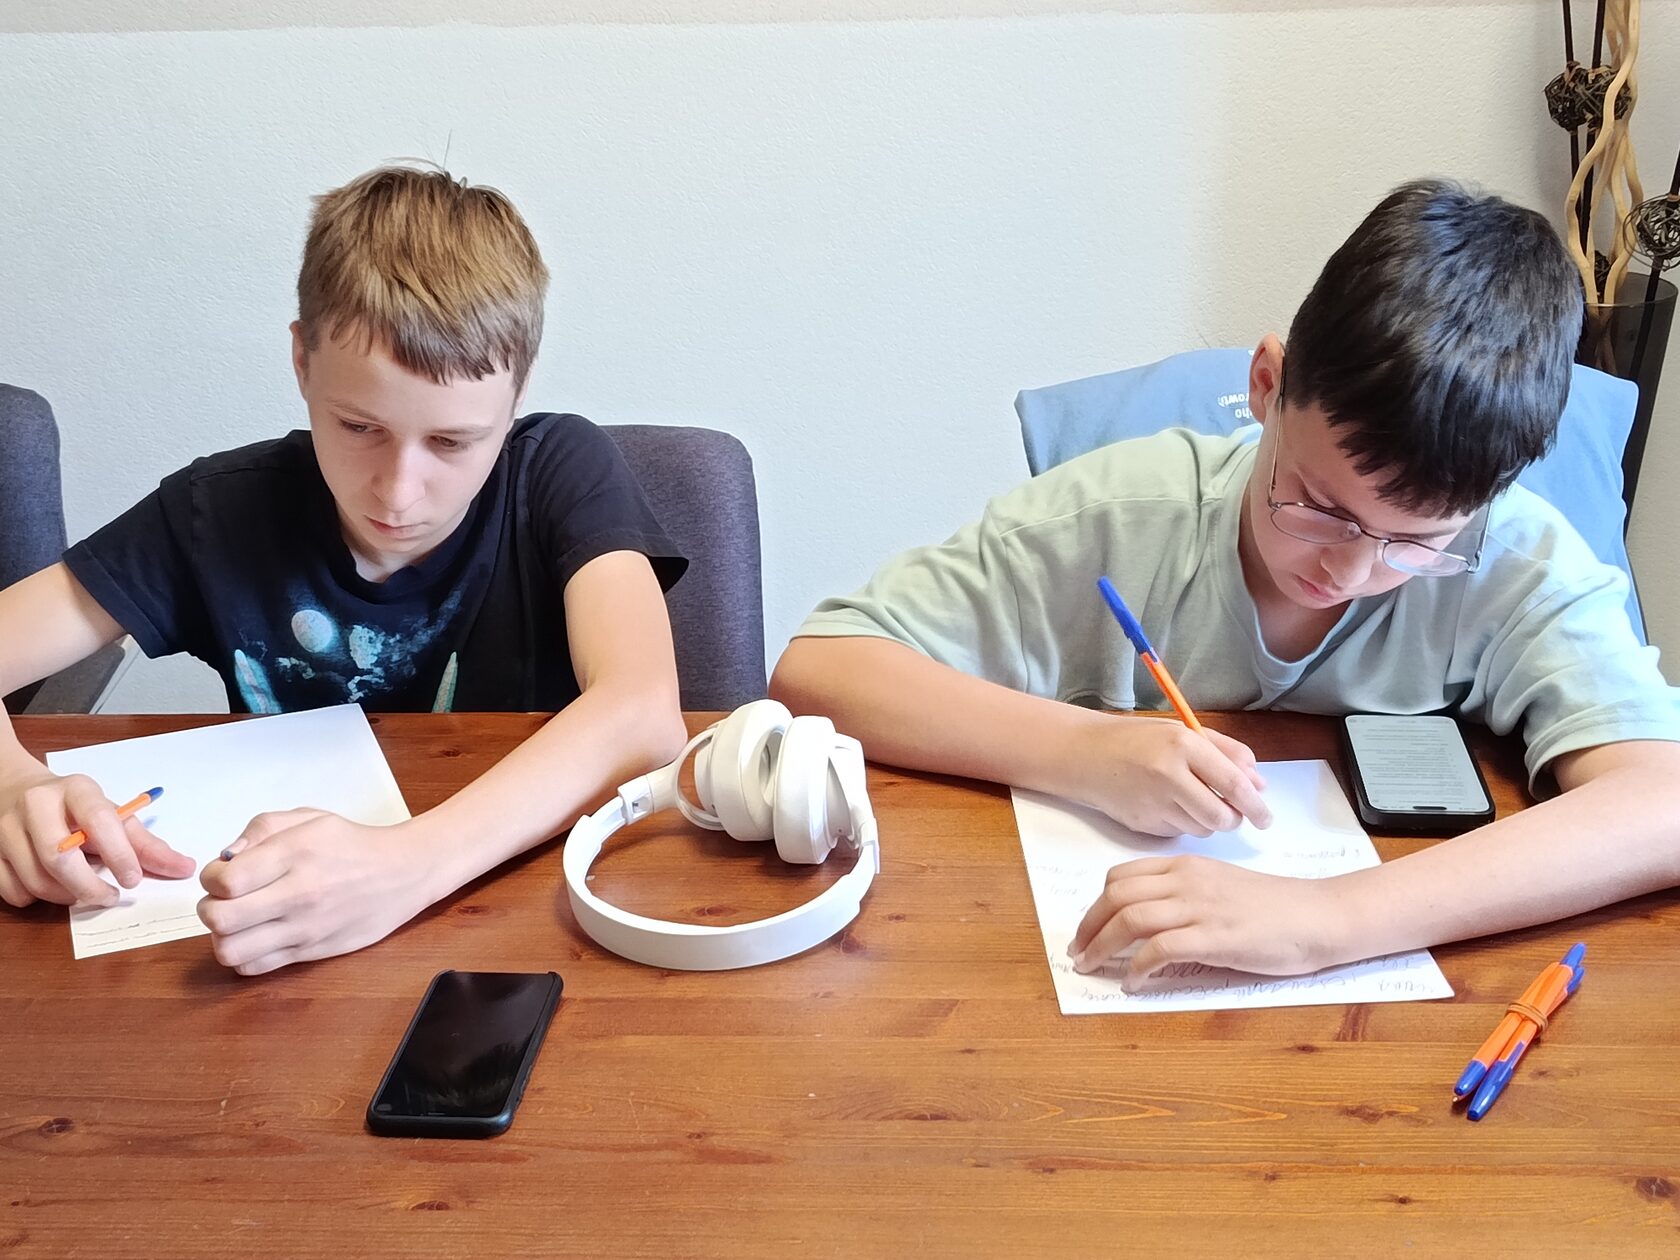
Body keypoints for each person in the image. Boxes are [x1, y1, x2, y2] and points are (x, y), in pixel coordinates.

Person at [771, 179, 1680, 988]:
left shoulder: (1518, 555)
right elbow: (821, 668)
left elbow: (1661, 805)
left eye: (1413, 544)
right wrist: (1083, 751)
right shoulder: (1118, 517)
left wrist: (1327, 919)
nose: (1348, 570)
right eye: (1318, 506)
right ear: (1266, 385)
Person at [0, 164, 689, 973]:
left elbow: (644, 712)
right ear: (302, 360)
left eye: (452, 442)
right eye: (360, 427)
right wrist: (12, 786)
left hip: (522, 923)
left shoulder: (559, 470)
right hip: (281, 939)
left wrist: (405, 867)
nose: (398, 491)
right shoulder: (218, 511)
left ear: (516, 392)